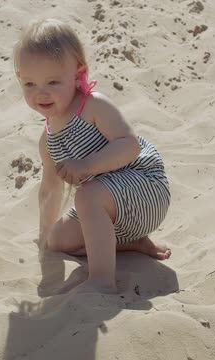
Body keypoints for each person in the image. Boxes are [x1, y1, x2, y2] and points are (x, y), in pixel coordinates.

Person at [13, 18, 171, 293]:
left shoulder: (93, 106)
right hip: (112, 212)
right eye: (29, 84)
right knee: (57, 240)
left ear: (77, 75)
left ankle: (102, 279)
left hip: (146, 187)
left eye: (52, 81)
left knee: (86, 195)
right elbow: (51, 190)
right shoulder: (48, 140)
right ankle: (131, 242)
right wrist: (44, 233)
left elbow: (129, 145)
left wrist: (87, 165)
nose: (41, 93)